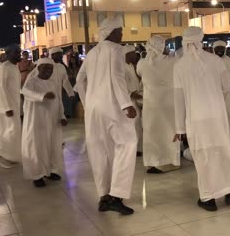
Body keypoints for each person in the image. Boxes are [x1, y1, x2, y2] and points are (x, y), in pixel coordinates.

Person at [75, 17, 137, 215]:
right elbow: (116, 77)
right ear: (110, 32)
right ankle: (116, 196)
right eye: (119, 31)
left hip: (94, 110)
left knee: (100, 150)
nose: (121, 35)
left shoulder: (92, 53)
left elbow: (79, 80)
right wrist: (127, 104)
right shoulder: (115, 49)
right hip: (113, 107)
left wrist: (87, 102)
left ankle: (104, 196)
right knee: (127, 143)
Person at [173, 26, 230, 212]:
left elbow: (179, 98)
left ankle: (208, 198)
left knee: (203, 156)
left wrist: (179, 128)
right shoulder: (216, 60)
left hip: (196, 118)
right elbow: (227, 88)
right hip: (217, 116)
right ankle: (229, 191)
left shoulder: (180, 65)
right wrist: (216, 101)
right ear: (201, 41)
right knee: (223, 151)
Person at [137, 35, 180, 174]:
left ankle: (153, 162)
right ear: (163, 47)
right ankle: (170, 161)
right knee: (169, 132)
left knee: (151, 133)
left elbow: (140, 75)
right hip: (169, 103)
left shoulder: (142, 63)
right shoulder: (173, 61)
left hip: (151, 104)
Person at [21, 58, 67, 188]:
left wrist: (62, 115)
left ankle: (51, 171)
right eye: (45, 68)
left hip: (53, 121)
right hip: (37, 121)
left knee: (53, 146)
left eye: (50, 69)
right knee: (38, 147)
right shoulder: (32, 81)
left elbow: (59, 101)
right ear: (38, 69)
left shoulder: (53, 83)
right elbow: (25, 92)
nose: (48, 71)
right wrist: (43, 96)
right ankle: (38, 175)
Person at [0, 44, 22, 169]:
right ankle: (5, 155)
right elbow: (1, 88)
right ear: (8, 54)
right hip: (5, 105)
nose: (19, 55)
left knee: (13, 130)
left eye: (19, 52)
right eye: (16, 52)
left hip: (13, 103)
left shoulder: (14, 67)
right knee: (8, 130)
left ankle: (11, 155)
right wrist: (7, 107)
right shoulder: (4, 67)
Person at [213, 40, 230, 137]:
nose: (219, 50)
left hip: (226, 93)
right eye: (217, 48)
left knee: (226, 114)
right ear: (214, 49)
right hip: (213, 94)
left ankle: (227, 137)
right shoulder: (210, 61)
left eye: (221, 49)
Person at [124, 45, 143, 156]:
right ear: (127, 55)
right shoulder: (121, 67)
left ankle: (137, 148)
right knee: (131, 125)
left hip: (135, 98)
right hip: (128, 101)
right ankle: (132, 149)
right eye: (132, 53)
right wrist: (131, 94)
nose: (135, 55)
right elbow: (119, 85)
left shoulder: (131, 66)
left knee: (137, 125)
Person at [47, 48, 75, 118]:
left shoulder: (61, 67)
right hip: (47, 94)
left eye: (61, 55)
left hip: (58, 93)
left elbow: (65, 81)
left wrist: (70, 93)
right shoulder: (45, 66)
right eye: (59, 55)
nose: (61, 56)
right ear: (52, 55)